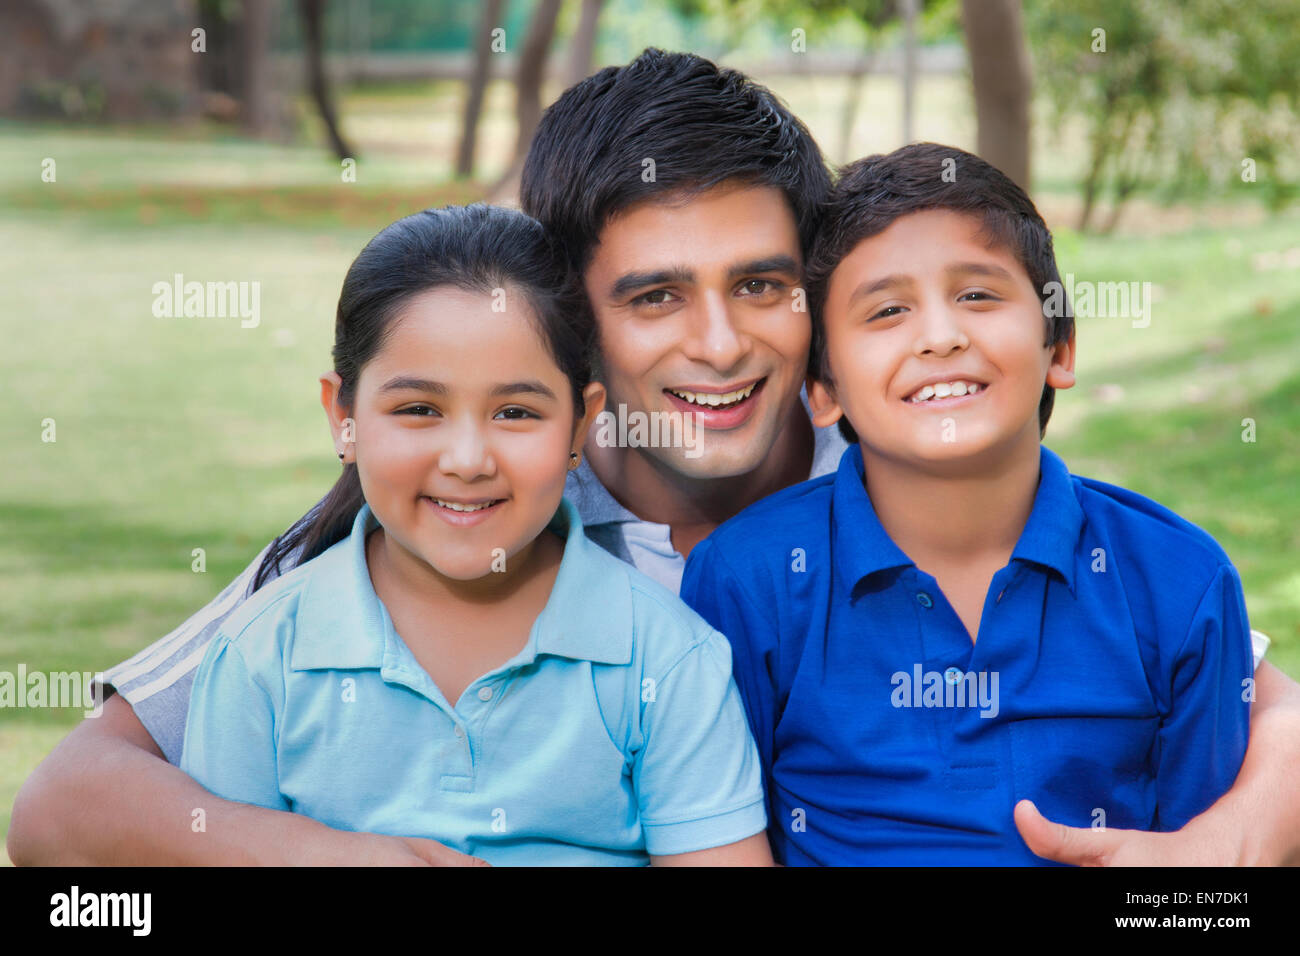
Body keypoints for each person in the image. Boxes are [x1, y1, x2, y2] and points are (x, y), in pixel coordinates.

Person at [9, 50, 1300, 868]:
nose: (721, 344)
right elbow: (64, 811)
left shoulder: (899, 471)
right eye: (654, 298)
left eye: (764, 284)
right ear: (570, 320)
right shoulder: (477, 512)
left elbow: (1253, 693)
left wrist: (1240, 836)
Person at [680, 143, 1255, 864]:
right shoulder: (747, 579)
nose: (941, 336)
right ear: (821, 391)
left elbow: (1224, 864)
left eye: (978, 296)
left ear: (1060, 347)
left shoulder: (1180, 581)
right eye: (887, 310)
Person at [180, 203, 770, 866]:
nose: (467, 459)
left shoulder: (666, 658)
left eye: (515, 412)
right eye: (419, 410)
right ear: (342, 417)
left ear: (581, 426)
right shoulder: (262, 656)